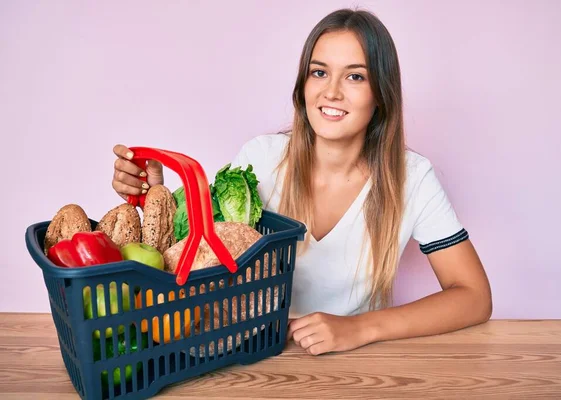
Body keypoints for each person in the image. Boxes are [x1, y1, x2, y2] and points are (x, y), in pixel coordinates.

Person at [111, 8, 492, 356]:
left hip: (356, 362)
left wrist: (359, 328)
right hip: (254, 355)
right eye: (319, 72)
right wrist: (156, 195)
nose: (332, 91)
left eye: (355, 76)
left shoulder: (411, 179)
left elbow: (474, 296)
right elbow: (198, 254)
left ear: (381, 95)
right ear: (303, 85)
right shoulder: (260, 159)